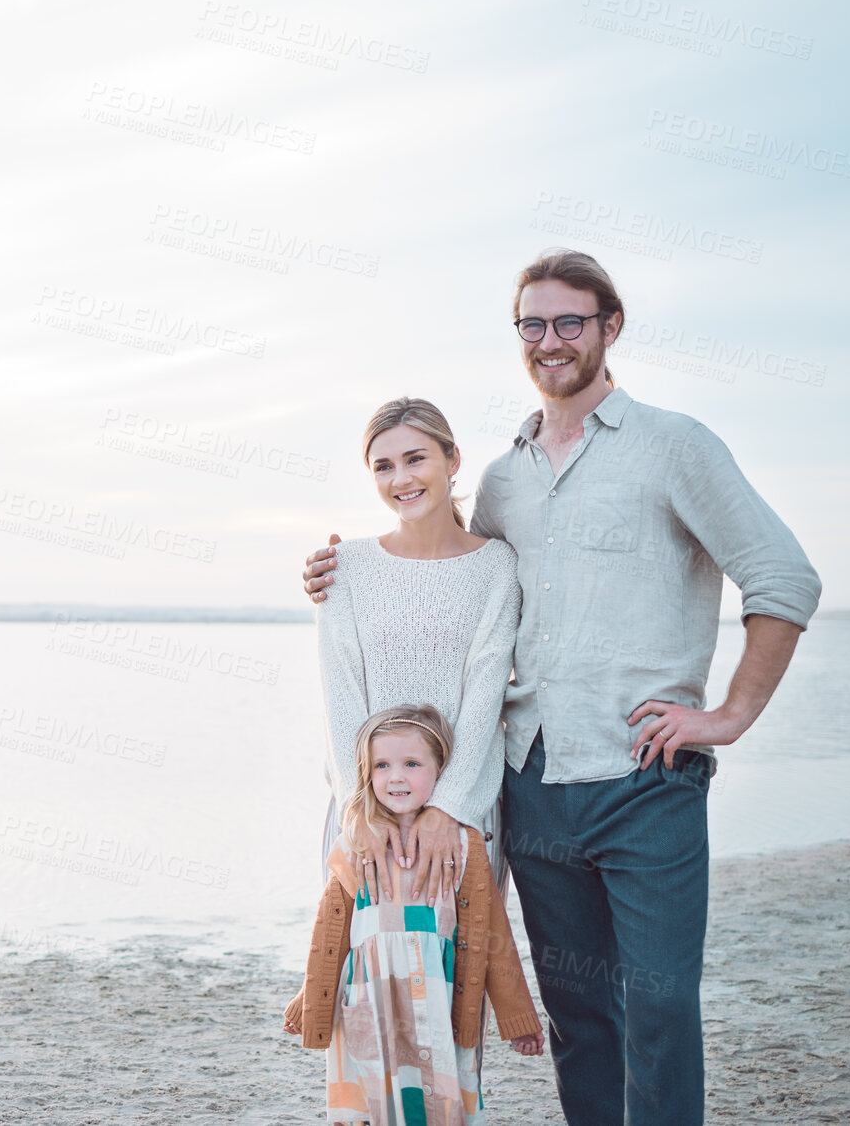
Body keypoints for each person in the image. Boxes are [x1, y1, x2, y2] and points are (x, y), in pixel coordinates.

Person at [302, 249, 821, 1125]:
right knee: (578, 1017)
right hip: (531, 784)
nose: (550, 340)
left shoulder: (673, 446)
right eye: (532, 325)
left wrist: (727, 714)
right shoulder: (504, 478)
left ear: (609, 327)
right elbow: (450, 568)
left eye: (569, 321)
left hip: (644, 777)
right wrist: (341, 570)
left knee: (657, 1010)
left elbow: (782, 578)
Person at [281, 705, 544, 1126]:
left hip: (435, 1002)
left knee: (437, 1102)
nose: (396, 776)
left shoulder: (461, 845)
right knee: (370, 1101)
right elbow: (329, 934)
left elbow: (492, 934)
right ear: (366, 773)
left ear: (441, 771)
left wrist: (518, 1020)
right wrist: (307, 999)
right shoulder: (356, 844)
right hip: (370, 1000)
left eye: (412, 764)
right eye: (382, 765)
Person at [314, 399, 521, 903]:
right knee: (361, 974)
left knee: (458, 973)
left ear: (452, 461)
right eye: (383, 466)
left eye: (416, 458)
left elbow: (484, 699)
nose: (401, 478)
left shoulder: (497, 567)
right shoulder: (344, 567)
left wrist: (446, 809)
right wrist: (357, 812)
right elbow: (340, 696)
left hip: (464, 812)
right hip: (364, 811)